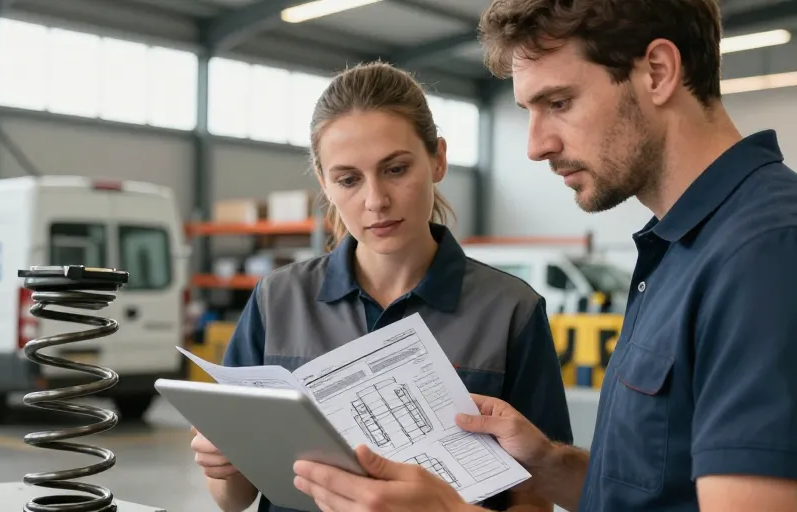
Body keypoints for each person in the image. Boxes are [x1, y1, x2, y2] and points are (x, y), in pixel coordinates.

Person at [291, 0, 797, 511]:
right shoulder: (680, 248)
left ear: (658, 72)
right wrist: (549, 464)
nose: (535, 146)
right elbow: (652, 491)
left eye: (558, 102)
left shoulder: (763, 253)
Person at [190, 61, 574, 512]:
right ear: (324, 183)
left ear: (438, 159)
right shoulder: (278, 300)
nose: (375, 201)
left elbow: (535, 502)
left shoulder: (511, 310)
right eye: (348, 179)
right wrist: (224, 465)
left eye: (395, 169)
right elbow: (234, 500)